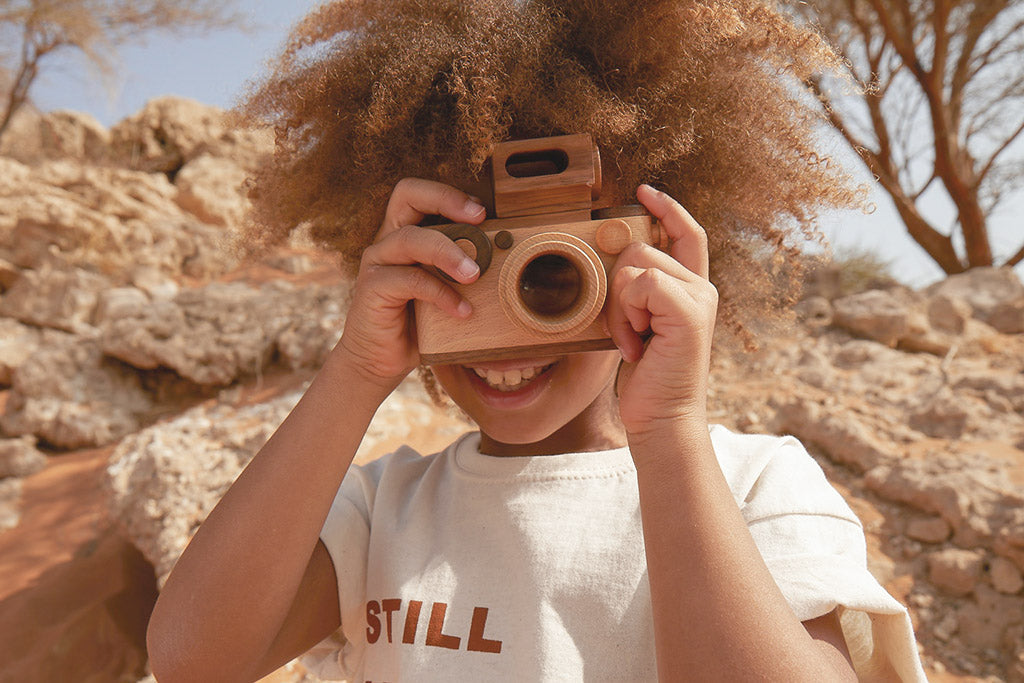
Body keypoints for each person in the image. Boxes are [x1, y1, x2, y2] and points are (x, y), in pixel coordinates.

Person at [146, 1, 928, 681]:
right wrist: (357, 369)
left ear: (653, 257)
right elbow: (190, 659)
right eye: (464, 267)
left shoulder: (757, 487)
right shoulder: (378, 509)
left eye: (555, 272)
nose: (509, 332)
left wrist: (669, 433)